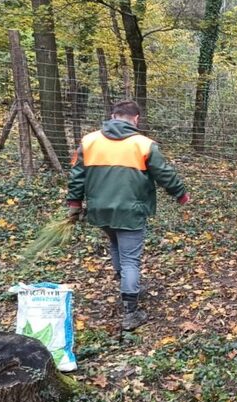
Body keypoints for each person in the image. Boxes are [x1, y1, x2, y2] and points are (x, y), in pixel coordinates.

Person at [66, 100, 189, 331]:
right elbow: (164, 173)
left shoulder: (89, 141)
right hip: (130, 211)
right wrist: (180, 194)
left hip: (100, 210)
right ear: (136, 119)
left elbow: (77, 175)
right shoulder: (144, 144)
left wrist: (74, 203)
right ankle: (130, 311)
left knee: (115, 245)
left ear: (113, 115)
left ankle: (127, 286)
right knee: (131, 258)